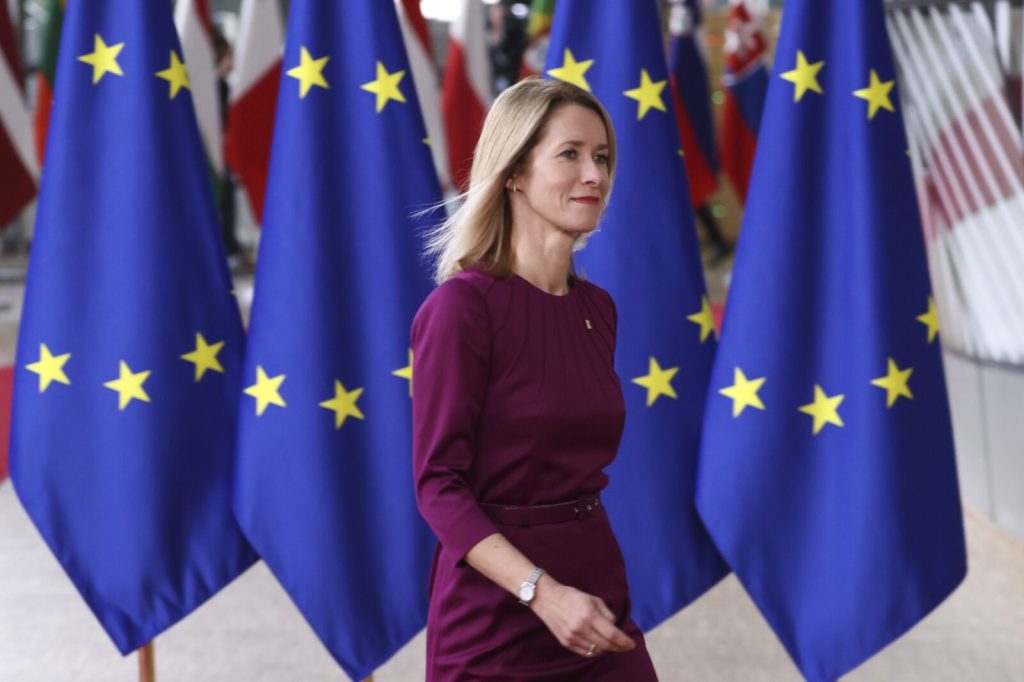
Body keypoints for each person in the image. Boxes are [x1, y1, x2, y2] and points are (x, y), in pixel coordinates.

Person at [411, 78, 659, 681]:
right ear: (515, 172)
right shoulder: (462, 309)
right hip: (494, 616)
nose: (594, 174)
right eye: (570, 154)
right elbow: (438, 485)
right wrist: (541, 592)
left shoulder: (598, 308)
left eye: (602, 157)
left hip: (595, 593)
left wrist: (573, 593)